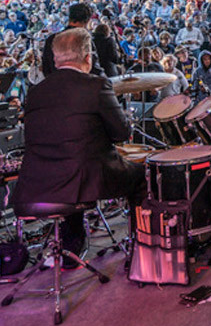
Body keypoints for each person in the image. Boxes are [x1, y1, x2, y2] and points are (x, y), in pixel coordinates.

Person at [12, 28, 144, 262]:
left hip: (34, 185)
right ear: (88, 57)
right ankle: (141, 249)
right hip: (83, 181)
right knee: (143, 175)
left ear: (55, 58)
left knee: (71, 170)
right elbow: (121, 133)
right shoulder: (97, 85)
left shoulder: (35, 92)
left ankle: (72, 245)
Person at [42, 2, 105, 77]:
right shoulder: (84, 39)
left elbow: (46, 67)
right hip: (80, 85)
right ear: (87, 21)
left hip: (55, 84)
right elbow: (95, 69)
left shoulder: (51, 39)